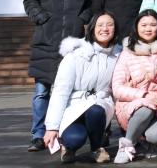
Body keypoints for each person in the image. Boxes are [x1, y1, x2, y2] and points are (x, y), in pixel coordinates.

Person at [24, 0, 95, 152]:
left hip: (72, 42)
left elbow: (91, 4)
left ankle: (63, 131)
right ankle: (38, 135)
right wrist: (42, 18)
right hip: (46, 39)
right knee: (42, 91)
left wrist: (81, 20)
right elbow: (30, 0)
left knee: (69, 91)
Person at [42, 13, 122, 164]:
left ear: (115, 29)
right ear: (92, 29)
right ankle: (68, 147)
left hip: (100, 105)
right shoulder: (75, 55)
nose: (105, 28)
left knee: (96, 110)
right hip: (74, 106)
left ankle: (97, 148)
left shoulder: (119, 55)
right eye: (100, 25)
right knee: (75, 139)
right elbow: (60, 92)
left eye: (110, 24)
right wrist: (52, 127)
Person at [111, 10, 157, 163]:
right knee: (145, 108)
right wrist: (144, 96)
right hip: (133, 104)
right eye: (144, 25)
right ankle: (126, 145)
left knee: (156, 136)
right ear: (137, 27)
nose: (148, 29)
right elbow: (117, 88)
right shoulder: (127, 53)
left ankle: (146, 141)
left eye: (153, 25)